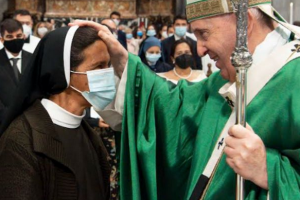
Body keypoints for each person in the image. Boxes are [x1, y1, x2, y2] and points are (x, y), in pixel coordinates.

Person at [70, 0, 300, 198]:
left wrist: (268, 170)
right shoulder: (225, 78)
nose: (198, 50)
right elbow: (175, 108)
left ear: (244, 23)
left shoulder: (295, 77)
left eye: (203, 33)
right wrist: (126, 67)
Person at [0, 26, 112, 199]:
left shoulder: (91, 137)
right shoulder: (21, 140)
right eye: (99, 67)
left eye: (108, 66)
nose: (107, 74)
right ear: (64, 73)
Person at [0, 19, 32, 125]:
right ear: (2, 39)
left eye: (18, 36)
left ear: (23, 36)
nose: (15, 40)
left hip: (30, 119)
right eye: (9, 37)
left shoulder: (33, 59)